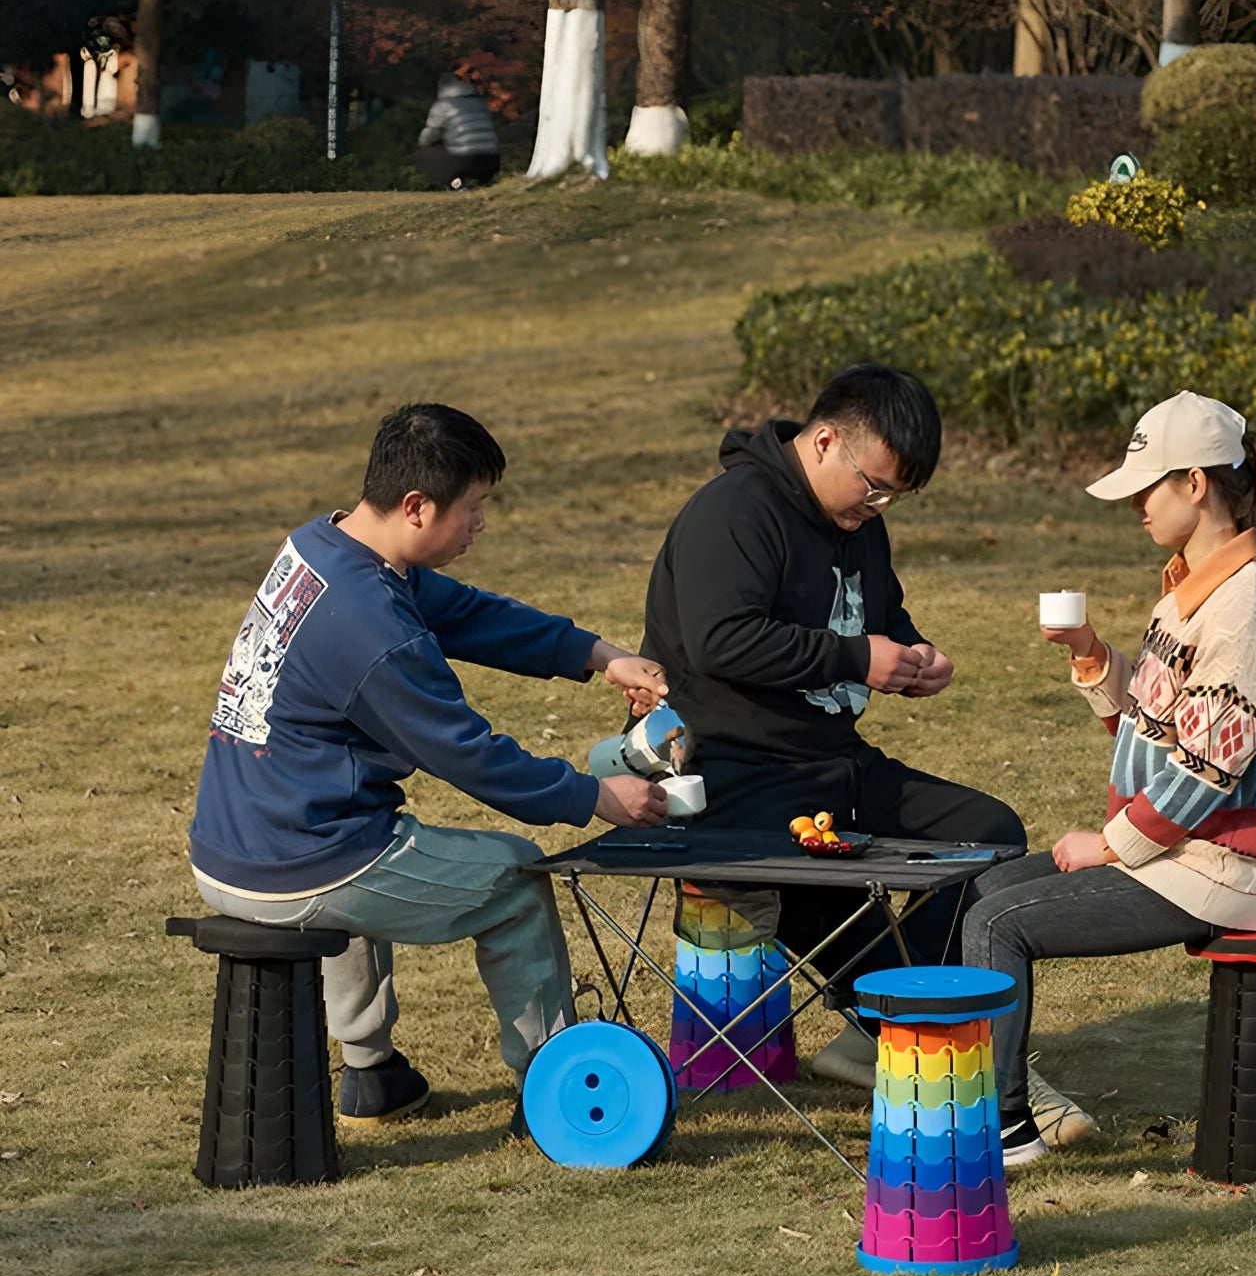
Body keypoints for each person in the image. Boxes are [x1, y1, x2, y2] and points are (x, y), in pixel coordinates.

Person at [639, 365, 1092, 1143]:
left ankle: (873, 1028)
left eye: (894, 498)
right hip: (734, 775)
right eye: (874, 487)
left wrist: (915, 657)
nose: (878, 507)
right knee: (839, 898)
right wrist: (857, 661)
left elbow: (881, 615)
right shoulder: (733, 512)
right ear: (824, 441)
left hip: (832, 762)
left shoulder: (857, 525)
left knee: (991, 832)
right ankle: (932, 1043)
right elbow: (720, 642)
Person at [187, 402, 670, 1132]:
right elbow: (464, 752)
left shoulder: (326, 545)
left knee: (370, 834)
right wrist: (592, 795)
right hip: (298, 858)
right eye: (472, 508)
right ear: (416, 506)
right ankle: (554, 1089)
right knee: (512, 881)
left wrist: (597, 655)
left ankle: (372, 1073)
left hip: (235, 841)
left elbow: (467, 614)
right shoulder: (370, 625)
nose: (480, 523)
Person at [961, 391, 1256, 1166]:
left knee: (998, 925)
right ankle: (996, 1096)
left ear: (1195, 483)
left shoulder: (1246, 609)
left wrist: (1112, 846)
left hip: (1223, 870)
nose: (1135, 508)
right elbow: (1150, 731)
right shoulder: (1190, 590)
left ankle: (1005, 1128)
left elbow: (1207, 772)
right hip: (1188, 853)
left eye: (1144, 489)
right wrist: (1091, 652)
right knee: (983, 894)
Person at [414, 73, 501, 190]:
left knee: (424, 153)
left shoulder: (444, 104)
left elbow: (429, 135)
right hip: (492, 159)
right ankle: (486, 182)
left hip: (465, 159)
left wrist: (423, 144)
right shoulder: (480, 102)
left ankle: (457, 184)